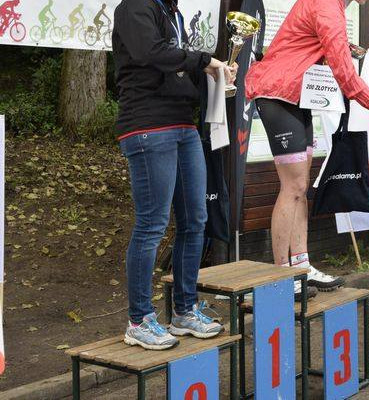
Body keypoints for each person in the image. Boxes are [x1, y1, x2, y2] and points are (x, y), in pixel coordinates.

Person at [244, 0, 369, 295]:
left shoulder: (328, 7)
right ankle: (281, 275)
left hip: (296, 96)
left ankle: (301, 265)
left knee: (300, 186)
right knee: (293, 186)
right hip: (277, 93)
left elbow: (303, 45)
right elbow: (348, 80)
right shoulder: (327, 6)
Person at [112, 0, 236, 349]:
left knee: (195, 219)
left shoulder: (172, 12)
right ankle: (138, 319)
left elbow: (176, 68)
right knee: (152, 224)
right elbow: (151, 53)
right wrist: (203, 59)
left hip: (183, 124)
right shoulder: (135, 6)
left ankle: (184, 310)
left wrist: (214, 72)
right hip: (148, 124)